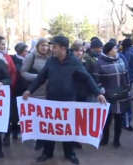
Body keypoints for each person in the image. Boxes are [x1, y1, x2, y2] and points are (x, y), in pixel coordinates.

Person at [22, 36, 107, 165]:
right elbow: (40, 78)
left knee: (68, 129)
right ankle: (47, 152)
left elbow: (87, 78)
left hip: (68, 102)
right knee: (49, 129)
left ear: (63, 48)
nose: (51, 49)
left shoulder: (74, 61)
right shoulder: (51, 61)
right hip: (51, 101)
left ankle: (69, 153)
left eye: (54, 47)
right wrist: (29, 90)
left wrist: (98, 93)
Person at [93, 41, 130, 148]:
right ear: (109, 51)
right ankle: (105, 138)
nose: (116, 50)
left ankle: (117, 139)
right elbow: (96, 79)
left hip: (121, 95)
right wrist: (103, 91)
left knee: (119, 118)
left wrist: (127, 87)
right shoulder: (99, 63)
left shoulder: (121, 60)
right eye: (114, 48)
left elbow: (126, 75)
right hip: (107, 96)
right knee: (106, 119)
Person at [21, 38, 51, 150]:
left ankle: (46, 140)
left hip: (49, 92)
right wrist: (38, 78)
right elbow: (23, 72)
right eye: (42, 45)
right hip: (36, 92)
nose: (45, 48)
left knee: (47, 118)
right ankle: (38, 140)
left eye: (47, 45)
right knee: (37, 117)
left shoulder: (51, 58)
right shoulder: (31, 56)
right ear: (37, 46)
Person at [10, 42, 29, 139]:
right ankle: (14, 130)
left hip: (27, 88)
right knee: (15, 111)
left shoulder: (29, 60)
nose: (27, 52)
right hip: (17, 88)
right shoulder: (14, 60)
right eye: (25, 51)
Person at [121, 38, 133, 131]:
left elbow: (125, 67)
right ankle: (126, 122)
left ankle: (126, 123)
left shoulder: (127, 53)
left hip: (127, 81)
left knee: (126, 102)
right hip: (130, 79)